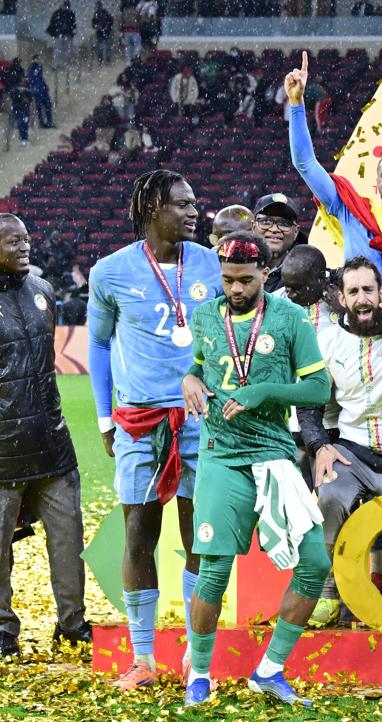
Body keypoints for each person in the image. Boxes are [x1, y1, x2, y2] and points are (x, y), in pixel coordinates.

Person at [178, 233, 333, 707]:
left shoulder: (289, 319)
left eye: (246, 280)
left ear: (265, 272)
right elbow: (198, 367)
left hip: (273, 455)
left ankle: (270, 669)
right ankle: (199, 675)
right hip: (222, 457)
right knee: (214, 570)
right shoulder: (206, 316)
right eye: (228, 280)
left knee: (314, 563)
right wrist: (189, 378)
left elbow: (319, 389)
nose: (237, 289)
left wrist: (265, 393)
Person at [88, 170, 223, 689]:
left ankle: (195, 652)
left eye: (195, 203)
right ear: (152, 209)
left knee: (199, 536)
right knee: (139, 534)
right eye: (183, 205)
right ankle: (143, 658)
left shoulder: (212, 265)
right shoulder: (111, 272)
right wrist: (105, 417)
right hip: (142, 422)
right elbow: (98, 346)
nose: (194, 213)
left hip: (200, 420)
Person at [299, 257, 382, 618]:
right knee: (328, 495)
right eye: (353, 291)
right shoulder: (326, 341)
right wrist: (320, 446)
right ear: (341, 298)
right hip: (352, 455)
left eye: (368, 290)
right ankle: (326, 594)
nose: (362, 298)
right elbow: (309, 406)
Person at [0, 214, 89, 656]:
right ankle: (3, 632)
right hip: (2, 450)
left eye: (26, 239)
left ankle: (72, 624)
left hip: (52, 441)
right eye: (12, 240)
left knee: (69, 540)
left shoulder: (43, 291)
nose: (24, 246)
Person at [286, 54, 382, 272]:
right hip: (357, 305)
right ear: (377, 182)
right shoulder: (353, 211)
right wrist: (297, 104)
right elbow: (305, 163)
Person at [250, 194, 302, 286]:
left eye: (284, 223)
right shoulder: (234, 265)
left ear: (296, 231)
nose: (274, 229)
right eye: (265, 221)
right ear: (253, 227)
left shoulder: (306, 275)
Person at [44, 1, 75, 67]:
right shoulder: (69, 14)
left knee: (59, 49)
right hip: (64, 34)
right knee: (64, 49)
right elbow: (73, 25)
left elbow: (53, 23)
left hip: (61, 34)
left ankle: (57, 64)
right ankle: (62, 63)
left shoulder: (59, 13)